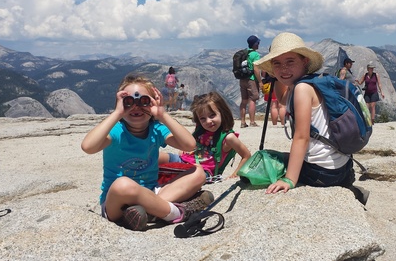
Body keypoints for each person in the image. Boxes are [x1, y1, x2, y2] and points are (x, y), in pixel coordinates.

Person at [81, 74, 213, 231]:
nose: (136, 107)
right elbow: (88, 147)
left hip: (152, 193)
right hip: (116, 203)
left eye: (144, 102)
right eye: (128, 102)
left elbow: (189, 144)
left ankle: (145, 212)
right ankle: (177, 212)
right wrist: (117, 113)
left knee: (198, 173)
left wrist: (162, 115)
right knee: (123, 185)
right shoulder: (117, 131)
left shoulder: (156, 129)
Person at [254, 32, 369, 205]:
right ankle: (349, 189)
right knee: (284, 157)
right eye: (276, 63)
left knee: (271, 160)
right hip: (343, 165)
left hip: (321, 172)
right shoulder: (309, 83)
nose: (283, 68)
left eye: (290, 62)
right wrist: (277, 78)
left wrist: (289, 180)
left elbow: (302, 136)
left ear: (305, 61)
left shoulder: (301, 89)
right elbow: (284, 99)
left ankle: (346, 190)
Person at [159, 92, 252, 180]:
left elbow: (246, 155)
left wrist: (235, 174)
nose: (208, 121)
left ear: (222, 113)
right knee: (156, 157)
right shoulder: (201, 130)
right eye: (203, 118)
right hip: (185, 160)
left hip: (203, 172)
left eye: (212, 115)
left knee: (168, 171)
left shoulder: (228, 138)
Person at [239, 35, 262, 128]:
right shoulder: (255, 55)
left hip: (242, 79)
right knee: (253, 99)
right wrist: (260, 81)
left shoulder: (244, 53)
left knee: (244, 101)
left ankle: (243, 122)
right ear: (255, 44)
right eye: (258, 43)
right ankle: (252, 122)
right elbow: (256, 69)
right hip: (251, 79)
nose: (259, 45)